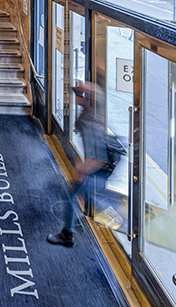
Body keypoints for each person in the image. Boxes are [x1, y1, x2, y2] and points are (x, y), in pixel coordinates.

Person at [47, 80, 119, 247]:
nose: (76, 99)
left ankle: (68, 235)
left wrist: (80, 173)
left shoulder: (90, 122)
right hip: (97, 169)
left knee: (72, 196)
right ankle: (74, 227)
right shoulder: (92, 114)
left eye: (79, 96)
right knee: (83, 196)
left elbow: (98, 158)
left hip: (98, 170)